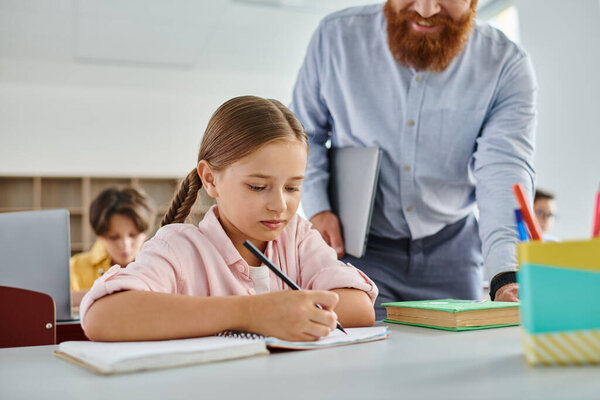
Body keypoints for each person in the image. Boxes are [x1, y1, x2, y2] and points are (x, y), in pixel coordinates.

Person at [290, 0, 536, 318]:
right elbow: (303, 133)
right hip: (358, 250)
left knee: (451, 360)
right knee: (362, 357)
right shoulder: (335, 37)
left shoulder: (506, 64)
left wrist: (506, 273)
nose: (426, 9)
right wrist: (318, 206)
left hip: (452, 251)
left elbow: (503, 169)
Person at [80, 96, 378, 342]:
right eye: (258, 187)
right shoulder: (180, 247)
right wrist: (252, 313)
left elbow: (361, 308)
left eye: (292, 187)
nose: (279, 205)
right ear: (210, 179)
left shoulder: (297, 238)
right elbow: (103, 316)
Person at [70, 187, 155, 307]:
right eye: (114, 237)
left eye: (133, 235)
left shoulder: (157, 268)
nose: (125, 245)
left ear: (145, 234)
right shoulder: (74, 268)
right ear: (100, 236)